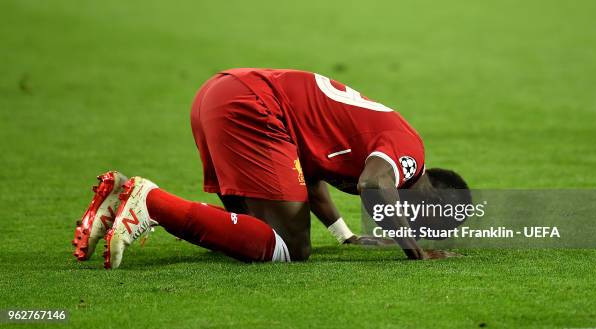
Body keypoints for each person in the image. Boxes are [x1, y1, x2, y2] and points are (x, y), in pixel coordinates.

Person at [72, 68, 469, 269]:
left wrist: (345, 235)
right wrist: (417, 254)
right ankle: (152, 203)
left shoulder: (385, 148)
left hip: (224, 93)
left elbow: (308, 173)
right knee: (293, 247)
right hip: (253, 106)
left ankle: (123, 193)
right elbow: (371, 184)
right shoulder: (410, 155)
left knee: (249, 233)